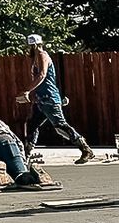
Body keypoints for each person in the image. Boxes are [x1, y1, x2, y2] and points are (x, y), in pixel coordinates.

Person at [20, 34, 95, 164]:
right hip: (40, 99)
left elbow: (42, 75)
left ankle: (85, 149)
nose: (31, 49)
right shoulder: (35, 59)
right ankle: (26, 153)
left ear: (37, 45)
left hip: (49, 98)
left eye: (33, 46)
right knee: (32, 124)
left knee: (60, 126)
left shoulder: (43, 56)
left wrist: (27, 90)